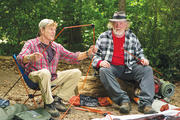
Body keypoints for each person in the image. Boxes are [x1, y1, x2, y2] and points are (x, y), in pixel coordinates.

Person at [17, 19, 97, 117]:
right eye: (50, 29)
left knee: (76, 72)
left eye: (54, 29)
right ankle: (48, 104)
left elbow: (73, 57)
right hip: (35, 76)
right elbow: (20, 58)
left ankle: (58, 100)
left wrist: (88, 53)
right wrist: (30, 57)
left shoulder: (57, 46)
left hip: (52, 77)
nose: (53, 32)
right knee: (45, 72)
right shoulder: (31, 43)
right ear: (42, 30)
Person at [92, 11, 156, 114]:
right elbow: (94, 56)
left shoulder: (132, 37)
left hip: (129, 67)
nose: (118, 26)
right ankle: (124, 101)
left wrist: (143, 59)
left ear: (126, 24)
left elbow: (140, 53)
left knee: (147, 70)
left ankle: (145, 104)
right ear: (111, 24)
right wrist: (99, 62)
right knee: (103, 70)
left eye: (121, 23)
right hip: (112, 67)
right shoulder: (104, 36)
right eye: (115, 23)